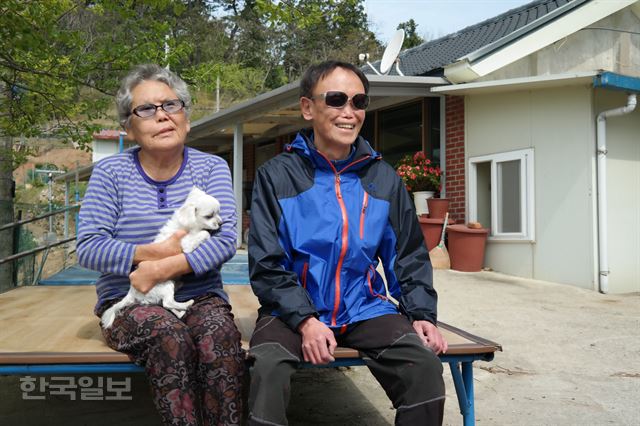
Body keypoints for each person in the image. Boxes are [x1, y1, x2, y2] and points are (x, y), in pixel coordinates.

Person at [247, 60, 447, 426]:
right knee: (268, 367)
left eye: (358, 102)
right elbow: (266, 264)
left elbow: (409, 256)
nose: (349, 112)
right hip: (291, 312)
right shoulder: (276, 176)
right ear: (308, 108)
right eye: (337, 100)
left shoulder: (383, 178)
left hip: (363, 307)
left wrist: (421, 314)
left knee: (422, 367)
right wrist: (306, 320)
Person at [77, 64, 244, 425]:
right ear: (129, 126)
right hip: (129, 300)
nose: (162, 116)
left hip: (200, 295)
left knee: (221, 338)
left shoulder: (211, 168)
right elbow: (89, 246)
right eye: (147, 109)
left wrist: (164, 267)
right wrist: (150, 254)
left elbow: (227, 237)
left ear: (185, 117)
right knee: (169, 337)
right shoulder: (111, 174)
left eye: (172, 105)